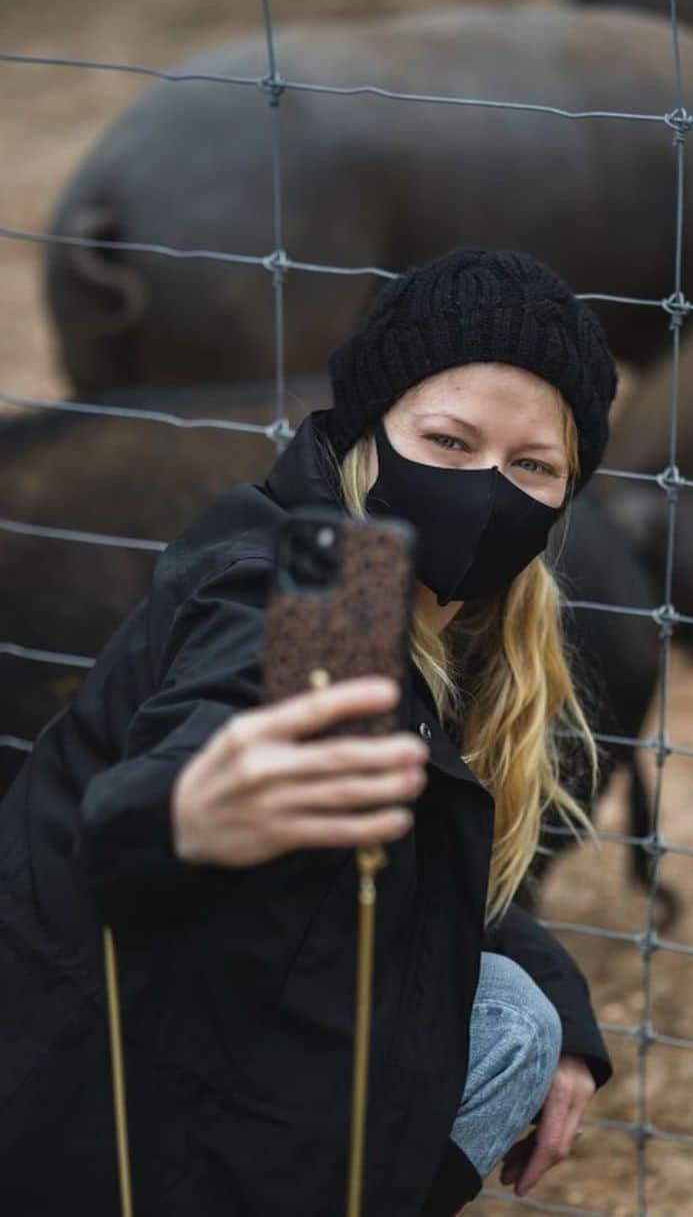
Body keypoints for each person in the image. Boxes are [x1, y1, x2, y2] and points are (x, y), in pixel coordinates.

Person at [0, 247, 618, 1216]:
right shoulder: (309, 595)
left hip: (194, 1065)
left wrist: (564, 1001)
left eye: (531, 465)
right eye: (449, 441)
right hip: (90, 1114)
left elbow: (420, 862)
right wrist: (182, 810)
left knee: (519, 1016)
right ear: (370, 431)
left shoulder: (449, 626)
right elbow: (216, 730)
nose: (487, 487)